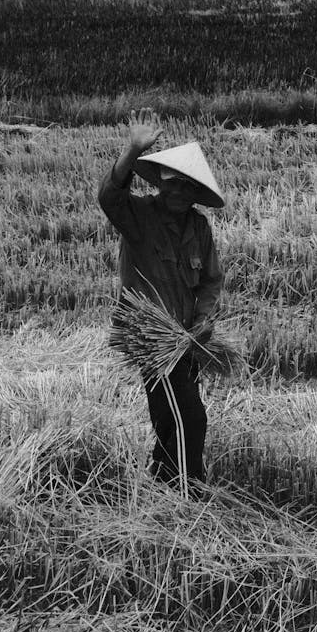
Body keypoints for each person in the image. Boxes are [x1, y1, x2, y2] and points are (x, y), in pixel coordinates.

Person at [99, 108, 225, 489]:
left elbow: (211, 281)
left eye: (186, 187)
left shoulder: (199, 227)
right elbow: (109, 197)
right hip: (151, 338)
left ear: (194, 193)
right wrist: (133, 150)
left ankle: (163, 476)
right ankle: (188, 491)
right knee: (191, 418)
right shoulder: (139, 216)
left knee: (169, 413)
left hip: (187, 337)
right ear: (161, 184)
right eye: (172, 185)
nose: (178, 193)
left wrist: (203, 319)